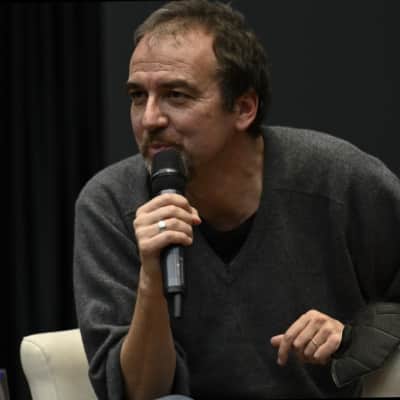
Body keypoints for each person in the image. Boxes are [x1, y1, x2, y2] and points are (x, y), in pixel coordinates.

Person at [73, 1, 400, 399]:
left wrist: (353, 336)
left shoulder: (336, 180)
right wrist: (151, 278)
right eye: (138, 96)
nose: (149, 119)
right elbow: (140, 393)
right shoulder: (110, 204)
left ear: (243, 108)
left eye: (176, 95)